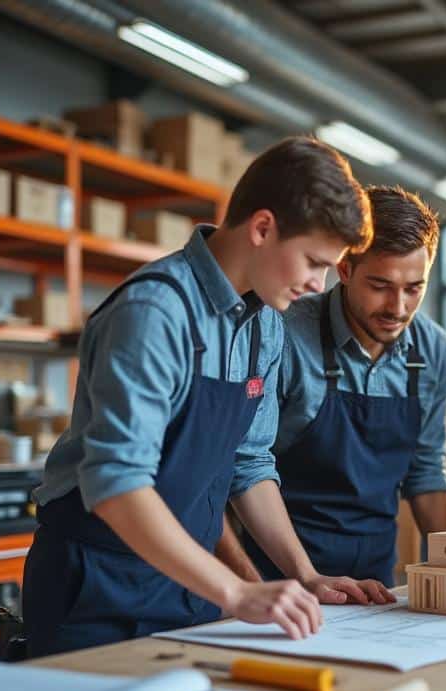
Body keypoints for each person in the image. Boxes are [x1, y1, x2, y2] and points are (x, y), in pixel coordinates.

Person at [22, 137, 387, 658]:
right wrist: (236, 592)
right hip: (98, 583)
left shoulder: (265, 324)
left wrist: (305, 576)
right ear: (262, 228)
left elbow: (249, 463)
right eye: (313, 261)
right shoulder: (154, 313)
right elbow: (117, 484)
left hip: (188, 583)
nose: (318, 284)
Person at [220, 186, 446, 586]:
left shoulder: (432, 348)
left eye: (414, 288)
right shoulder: (284, 333)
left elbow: (426, 471)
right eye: (380, 285)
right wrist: (256, 587)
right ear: (344, 269)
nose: (398, 308)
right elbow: (240, 466)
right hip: (280, 578)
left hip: (377, 582)